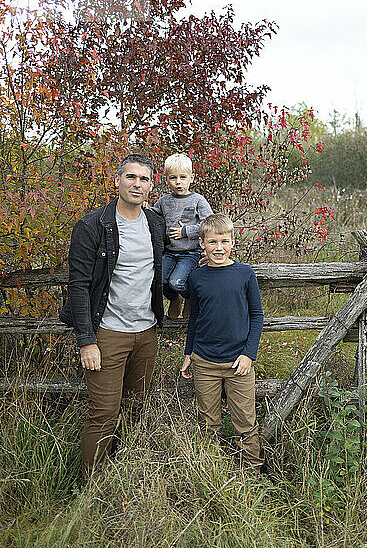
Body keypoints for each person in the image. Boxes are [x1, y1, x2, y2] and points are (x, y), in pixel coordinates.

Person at [59, 153, 165, 479]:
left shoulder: (156, 224)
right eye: (131, 177)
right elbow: (78, 286)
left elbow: (171, 265)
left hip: (147, 333)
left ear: (151, 186)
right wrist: (86, 340)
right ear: (117, 180)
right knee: (103, 413)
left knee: (134, 411)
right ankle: (88, 488)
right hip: (107, 333)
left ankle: (120, 479)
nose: (137, 184)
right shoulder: (92, 225)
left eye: (144, 179)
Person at [180, 213, 264, 471]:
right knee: (209, 421)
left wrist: (249, 354)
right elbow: (194, 318)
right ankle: (211, 469)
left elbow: (257, 316)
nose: (219, 248)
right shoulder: (196, 278)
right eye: (213, 242)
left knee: (245, 421)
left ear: (233, 242)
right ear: (202, 244)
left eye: (224, 241)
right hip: (204, 361)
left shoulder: (244, 274)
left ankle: (253, 470)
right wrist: (188, 353)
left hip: (239, 362)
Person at [150, 153, 212, 319]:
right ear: (166, 180)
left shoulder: (198, 200)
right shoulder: (164, 201)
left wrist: (186, 231)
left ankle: (189, 297)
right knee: (160, 280)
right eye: (173, 178)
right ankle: (174, 299)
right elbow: (154, 216)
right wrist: (143, 207)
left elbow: (209, 225)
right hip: (170, 251)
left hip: (190, 252)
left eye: (183, 177)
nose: (178, 182)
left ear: (191, 178)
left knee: (177, 282)